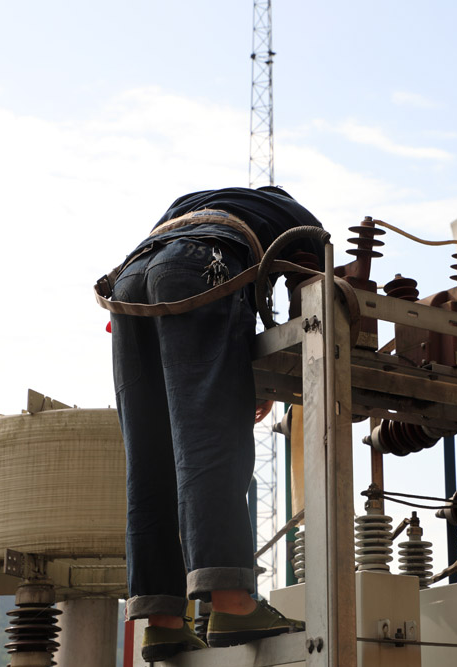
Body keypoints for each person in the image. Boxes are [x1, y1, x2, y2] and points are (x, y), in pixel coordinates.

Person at [102, 186, 326, 661]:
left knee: (151, 455)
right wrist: (265, 381)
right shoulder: (301, 221)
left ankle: (162, 622)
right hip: (198, 264)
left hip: (129, 279)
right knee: (209, 439)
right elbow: (310, 311)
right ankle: (232, 604)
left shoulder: (198, 203)